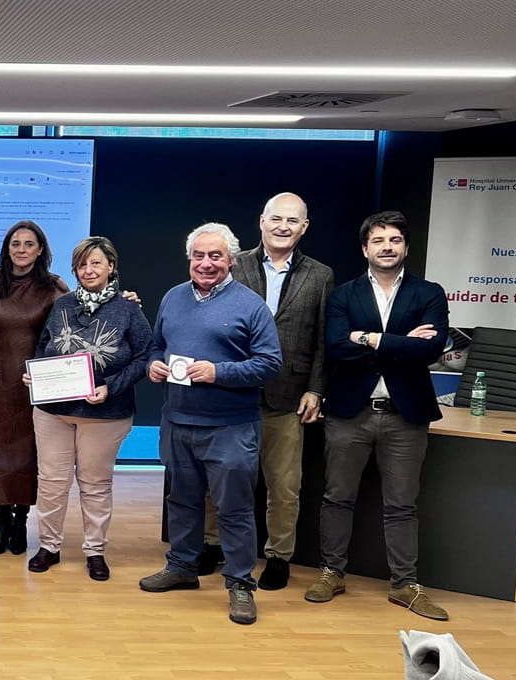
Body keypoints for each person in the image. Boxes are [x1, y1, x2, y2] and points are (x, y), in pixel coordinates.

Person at [304, 210, 451, 621]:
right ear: (365, 248)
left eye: (395, 240)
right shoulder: (344, 295)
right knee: (337, 497)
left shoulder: (429, 293)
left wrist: (368, 338)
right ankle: (332, 573)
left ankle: (405, 585)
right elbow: (336, 347)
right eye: (378, 240)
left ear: (406, 246)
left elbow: (430, 349)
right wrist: (401, 342)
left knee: (402, 504)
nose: (387, 247)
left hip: (406, 415)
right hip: (350, 412)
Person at [140, 222, 281, 626]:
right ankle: (182, 567)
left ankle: (240, 584)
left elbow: (271, 363)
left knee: (234, 509)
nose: (206, 263)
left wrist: (219, 372)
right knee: (182, 502)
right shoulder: (173, 297)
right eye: (198, 256)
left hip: (230, 427)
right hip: (178, 421)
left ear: (231, 260)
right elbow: (156, 345)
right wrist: (153, 365)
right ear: (189, 259)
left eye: (215, 256)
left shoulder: (251, 305)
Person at [195, 193, 334, 589]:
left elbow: (322, 339)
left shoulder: (320, 275)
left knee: (284, 486)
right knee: (219, 479)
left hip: (287, 395)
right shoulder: (233, 264)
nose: (283, 226)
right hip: (231, 392)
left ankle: (278, 556)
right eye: (276, 218)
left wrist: (316, 389)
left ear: (304, 227)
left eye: (292, 220)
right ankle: (213, 544)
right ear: (261, 221)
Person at [23, 237, 153, 580]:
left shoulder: (129, 308)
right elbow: (44, 346)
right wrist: (36, 375)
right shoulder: (62, 305)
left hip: (105, 413)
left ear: (111, 267)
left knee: (95, 484)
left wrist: (111, 387)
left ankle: (95, 550)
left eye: (96, 263)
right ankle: (49, 546)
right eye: (82, 264)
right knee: (51, 482)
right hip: (53, 412)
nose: (88, 270)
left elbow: (145, 357)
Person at [0, 220, 69, 557]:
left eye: (28, 244)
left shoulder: (54, 286)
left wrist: (123, 298)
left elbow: (83, 316)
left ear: (40, 250)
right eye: (15, 244)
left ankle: (21, 521)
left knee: (27, 456)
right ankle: (1, 524)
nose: (21, 250)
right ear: (6, 249)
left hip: (33, 386)